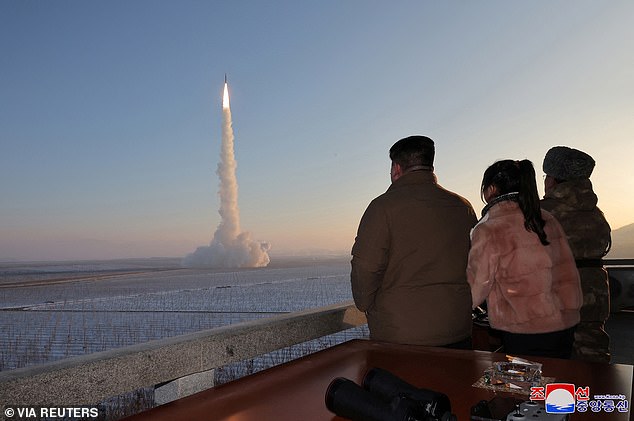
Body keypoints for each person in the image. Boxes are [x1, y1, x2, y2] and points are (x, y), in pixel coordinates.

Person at [351, 135, 477, 348]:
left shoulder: (382, 208)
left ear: (396, 168)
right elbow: (476, 264)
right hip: (457, 329)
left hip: (400, 335)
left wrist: (366, 304)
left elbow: (365, 268)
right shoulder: (462, 207)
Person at [467, 159, 582, 359]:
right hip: (565, 323)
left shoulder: (488, 229)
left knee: (527, 388)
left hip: (525, 328)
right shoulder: (546, 217)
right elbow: (568, 270)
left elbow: (477, 287)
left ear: (491, 189)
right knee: (556, 386)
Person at [541, 146, 612, 363]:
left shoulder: (542, 212)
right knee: (593, 353)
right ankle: (595, 393)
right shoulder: (595, 212)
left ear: (552, 180)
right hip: (596, 290)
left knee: (554, 360)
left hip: (559, 291)